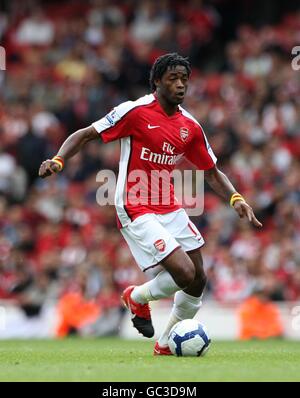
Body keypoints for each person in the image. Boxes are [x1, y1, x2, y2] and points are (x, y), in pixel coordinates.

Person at [39, 53, 262, 355]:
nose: (181, 84)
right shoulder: (135, 111)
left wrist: (236, 198)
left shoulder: (190, 126)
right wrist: (58, 159)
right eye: (173, 78)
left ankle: (166, 344)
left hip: (168, 204)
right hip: (134, 204)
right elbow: (86, 134)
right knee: (183, 273)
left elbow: (211, 171)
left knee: (198, 280)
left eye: (184, 78)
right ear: (157, 81)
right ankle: (138, 297)